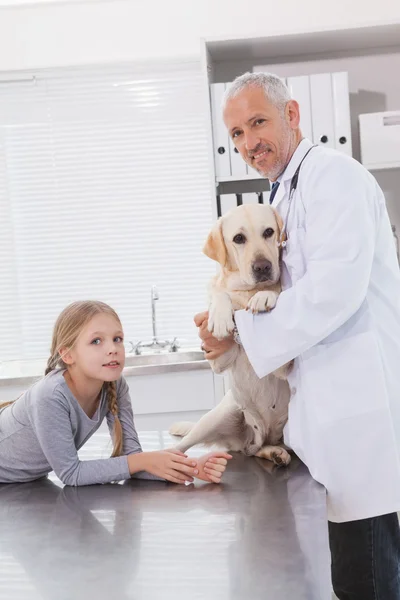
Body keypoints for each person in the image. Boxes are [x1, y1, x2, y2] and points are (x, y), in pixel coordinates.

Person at [196, 72, 400, 599]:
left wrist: (237, 330)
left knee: (369, 578)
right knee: (355, 576)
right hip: (327, 417)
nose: (248, 143)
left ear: (291, 116)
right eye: (236, 133)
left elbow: (334, 290)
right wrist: (229, 328)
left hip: (360, 412)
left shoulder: (334, 177)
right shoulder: (282, 199)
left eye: (258, 122)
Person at [0, 300, 231, 486]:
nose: (112, 349)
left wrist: (191, 468)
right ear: (68, 355)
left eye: (117, 339)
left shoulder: (114, 385)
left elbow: (135, 460)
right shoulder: (50, 396)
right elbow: (71, 474)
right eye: (96, 341)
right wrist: (141, 460)